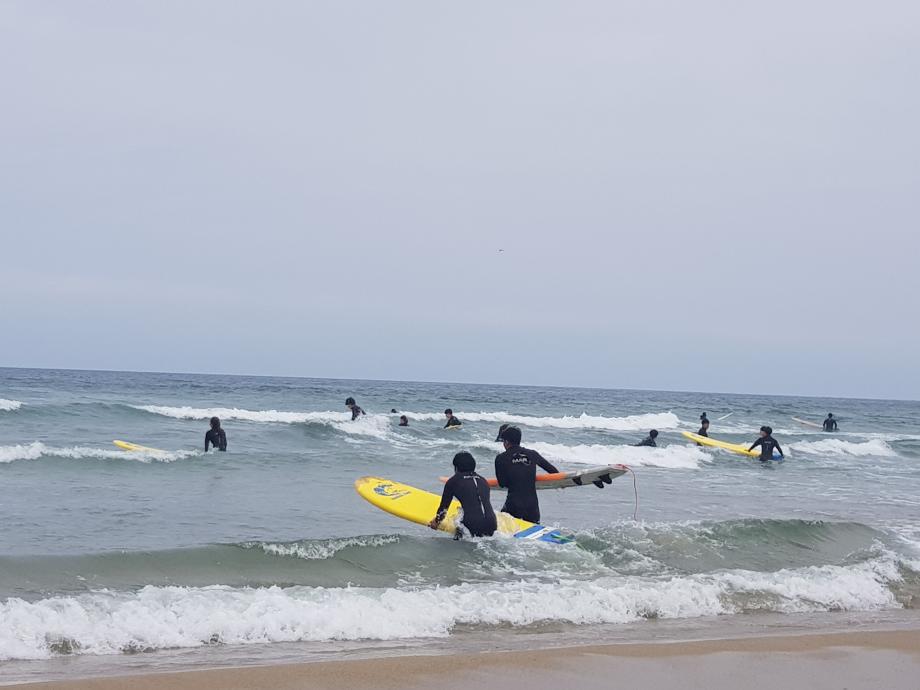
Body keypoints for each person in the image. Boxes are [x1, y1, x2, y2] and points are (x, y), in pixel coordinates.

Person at [494, 425, 559, 523]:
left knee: (502, 527)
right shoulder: (532, 454)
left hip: (513, 504)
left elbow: (502, 483)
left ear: (506, 442)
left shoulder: (501, 458)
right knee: (534, 533)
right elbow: (554, 472)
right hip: (532, 506)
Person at [428, 452, 497, 538]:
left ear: (456, 467)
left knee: (459, 532)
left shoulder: (453, 481)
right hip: (492, 523)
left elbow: (444, 508)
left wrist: (437, 521)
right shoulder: (483, 481)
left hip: (472, 525)